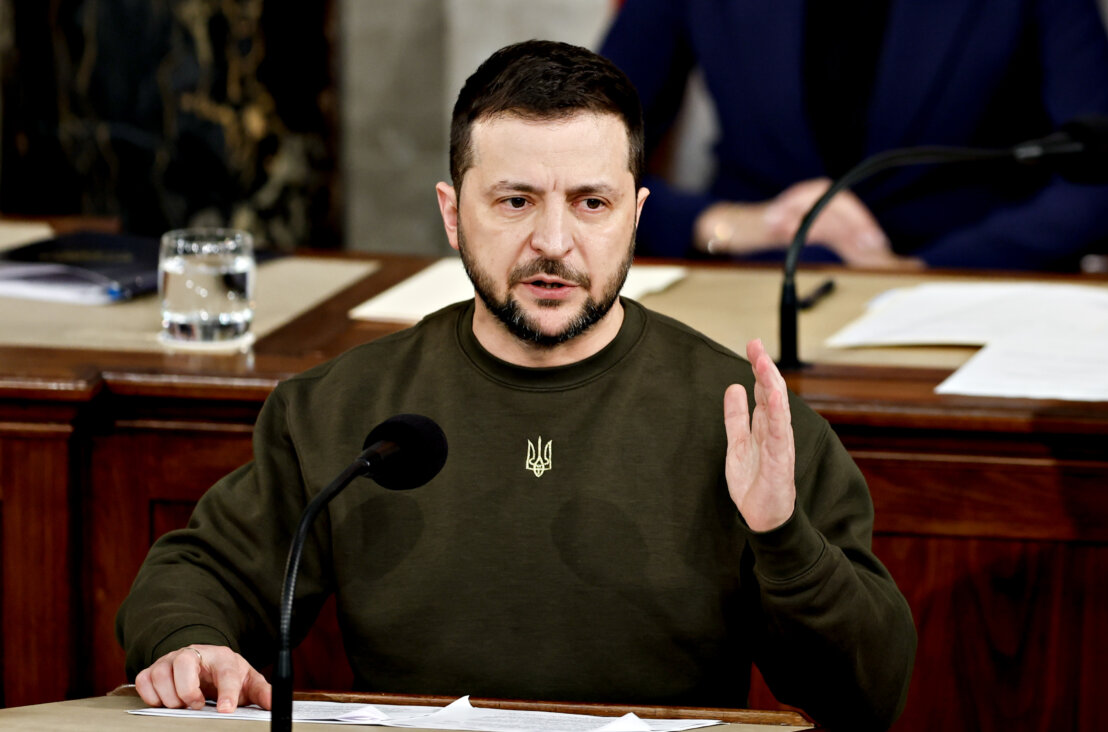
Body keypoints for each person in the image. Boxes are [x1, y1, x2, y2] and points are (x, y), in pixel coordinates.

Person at [117, 40, 917, 731]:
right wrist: (191, 641)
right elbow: (199, 572)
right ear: (452, 213)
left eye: (591, 203)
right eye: (516, 201)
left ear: (636, 215)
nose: (553, 242)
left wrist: (782, 537)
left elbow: (868, 698)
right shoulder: (340, 406)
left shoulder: (744, 417)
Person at [600, 0, 1108, 271]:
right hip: (755, 290)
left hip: (957, 302)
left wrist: (928, 271)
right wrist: (724, 225)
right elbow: (576, 156)